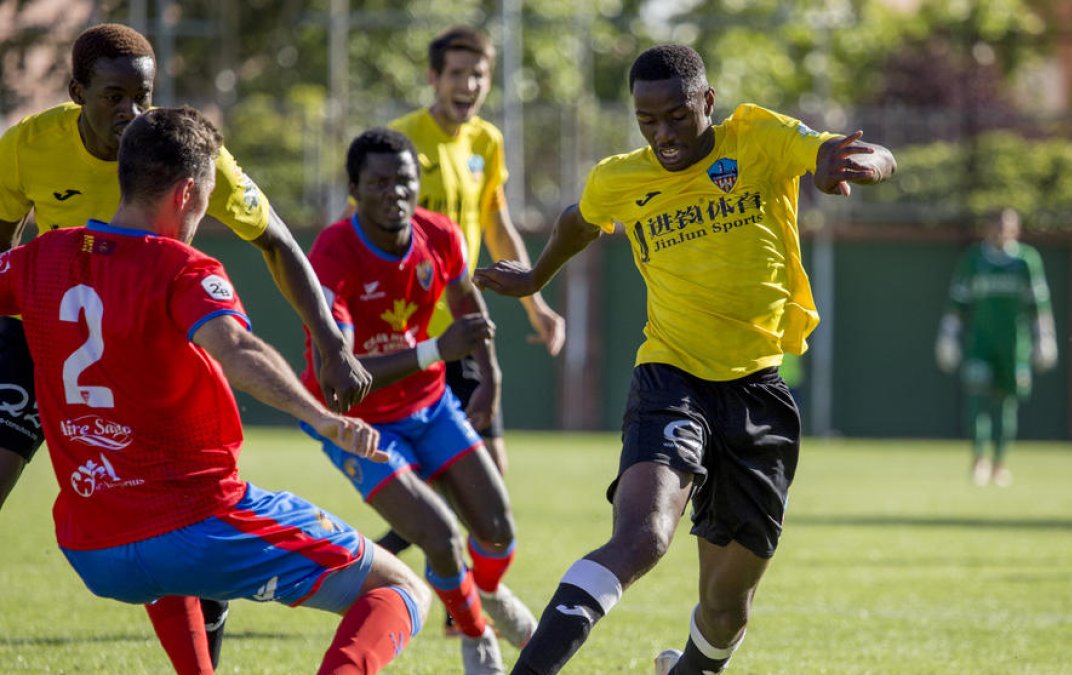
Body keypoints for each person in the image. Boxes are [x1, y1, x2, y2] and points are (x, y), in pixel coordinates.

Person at [474, 44, 896, 675]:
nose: (664, 135)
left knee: (728, 608)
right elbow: (579, 221)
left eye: (677, 116)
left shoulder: (755, 137)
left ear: (708, 101)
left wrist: (860, 162)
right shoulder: (621, 179)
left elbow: (872, 153)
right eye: (648, 121)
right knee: (642, 536)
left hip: (759, 393)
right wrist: (535, 278)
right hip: (670, 376)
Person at [0, 106, 431, 675]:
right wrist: (323, 418)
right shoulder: (181, 267)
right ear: (185, 194)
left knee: (166, 565)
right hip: (198, 522)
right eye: (204, 203)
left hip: (92, 543)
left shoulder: (37, 259)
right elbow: (238, 350)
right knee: (400, 591)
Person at [300, 127, 538, 674]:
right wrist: (435, 348)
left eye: (404, 180)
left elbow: (468, 307)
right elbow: (339, 377)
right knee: (439, 536)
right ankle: (476, 636)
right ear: (355, 190)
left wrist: (491, 379)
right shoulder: (333, 251)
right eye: (378, 182)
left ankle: (489, 593)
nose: (395, 192)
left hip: (429, 405)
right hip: (354, 424)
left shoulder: (441, 234)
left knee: (498, 529)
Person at [935, 208, 1057, 487]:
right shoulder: (974, 260)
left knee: (1007, 404)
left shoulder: (1027, 260)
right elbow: (958, 302)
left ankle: (1000, 464)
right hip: (980, 343)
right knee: (977, 401)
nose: (1002, 230)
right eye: (997, 224)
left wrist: (1045, 338)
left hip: (1015, 345)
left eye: (1008, 225)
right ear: (988, 228)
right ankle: (979, 460)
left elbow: (1039, 305)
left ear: (1016, 229)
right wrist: (948, 336)